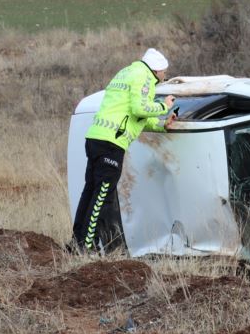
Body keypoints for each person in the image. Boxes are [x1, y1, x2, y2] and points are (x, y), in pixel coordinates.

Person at [72, 48, 176, 253]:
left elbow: (134, 116)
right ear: (157, 70)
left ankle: (77, 240)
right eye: (165, 72)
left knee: (90, 191)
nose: (165, 76)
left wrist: (161, 125)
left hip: (96, 137)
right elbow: (139, 108)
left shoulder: (126, 72)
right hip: (112, 143)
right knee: (102, 195)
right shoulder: (144, 77)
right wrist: (164, 107)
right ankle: (86, 246)